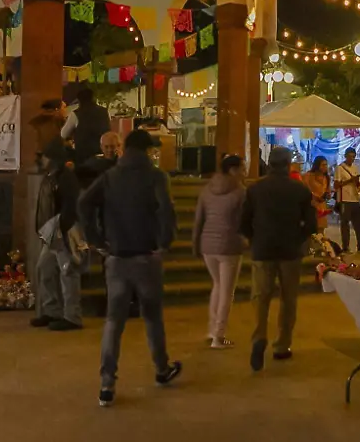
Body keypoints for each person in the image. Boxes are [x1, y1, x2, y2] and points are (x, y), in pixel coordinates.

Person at [78, 128, 182, 407]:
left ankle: (107, 383)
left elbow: (84, 202)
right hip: (147, 256)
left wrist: (96, 240)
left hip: (116, 257)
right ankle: (161, 369)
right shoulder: (156, 176)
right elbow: (166, 210)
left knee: (114, 321)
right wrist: (165, 242)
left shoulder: (110, 177)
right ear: (147, 150)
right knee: (152, 317)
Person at [239, 145, 315, 371]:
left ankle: (259, 336)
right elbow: (310, 224)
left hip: (263, 249)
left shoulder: (255, 189)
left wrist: (254, 238)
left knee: (260, 297)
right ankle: (282, 345)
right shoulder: (300, 190)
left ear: (269, 163)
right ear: (288, 164)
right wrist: (298, 237)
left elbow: (243, 221)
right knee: (288, 299)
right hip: (290, 251)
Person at [190, 154, 247, 348]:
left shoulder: (207, 189)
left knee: (217, 285)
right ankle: (219, 336)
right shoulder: (240, 192)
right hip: (229, 245)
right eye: (241, 167)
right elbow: (243, 221)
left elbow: (199, 219)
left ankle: (212, 329)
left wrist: (195, 243)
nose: (244, 171)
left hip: (207, 244)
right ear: (232, 170)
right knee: (226, 291)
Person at [30, 137, 84, 332]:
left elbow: (70, 205)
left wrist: (62, 228)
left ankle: (72, 317)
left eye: (43, 156)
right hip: (54, 230)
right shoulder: (53, 175)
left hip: (63, 231)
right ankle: (52, 311)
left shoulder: (64, 177)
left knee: (68, 273)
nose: (41, 159)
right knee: (44, 268)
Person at [61, 84, 111, 165]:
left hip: (83, 157)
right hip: (103, 155)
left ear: (79, 100)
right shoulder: (104, 111)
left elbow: (63, 134)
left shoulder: (76, 114)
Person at [333, 148, 360, 253]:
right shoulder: (340, 168)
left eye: (353, 157)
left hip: (355, 198)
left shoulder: (355, 168)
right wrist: (350, 180)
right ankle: (345, 246)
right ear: (345, 156)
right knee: (345, 224)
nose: (352, 159)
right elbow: (336, 185)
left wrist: (358, 182)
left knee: (359, 223)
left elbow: (356, 184)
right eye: (350, 156)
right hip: (345, 199)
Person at [301, 157, 333, 243]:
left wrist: (327, 194)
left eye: (326, 165)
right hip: (311, 204)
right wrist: (314, 195)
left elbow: (328, 192)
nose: (325, 167)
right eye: (323, 165)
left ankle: (320, 248)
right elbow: (303, 189)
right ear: (317, 165)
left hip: (321, 205)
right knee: (311, 229)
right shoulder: (309, 176)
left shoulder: (326, 178)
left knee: (321, 229)